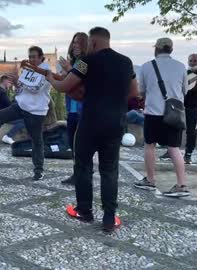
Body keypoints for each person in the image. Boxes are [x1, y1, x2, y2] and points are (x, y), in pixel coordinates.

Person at [47, 27, 138, 232]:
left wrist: (50, 78)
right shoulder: (126, 62)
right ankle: (109, 218)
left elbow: (64, 87)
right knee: (109, 169)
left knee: (83, 166)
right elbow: (134, 92)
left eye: (88, 42)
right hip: (115, 123)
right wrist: (114, 104)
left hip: (90, 122)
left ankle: (84, 211)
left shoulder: (86, 62)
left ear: (94, 43)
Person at [0, 46, 51, 181]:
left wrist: (18, 83)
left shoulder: (46, 71)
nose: (32, 59)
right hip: (21, 105)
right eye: (30, 56)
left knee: (36, 140)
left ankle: (38, 170)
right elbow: (20, 91)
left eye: (34, 56)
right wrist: (17, 86)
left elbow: (35, 88)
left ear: (41, 57)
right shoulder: (27, 70)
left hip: (36, 112)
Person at [134, 37, 190, 197]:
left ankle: (150, 180)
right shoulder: (181, 67)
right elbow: (184, 90)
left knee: (149, 145)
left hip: (153, 113)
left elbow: (142, 91)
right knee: (174, 148)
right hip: (173, 114)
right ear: (171, 50)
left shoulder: (146, 67)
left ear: (156, 49)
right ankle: (182, 184)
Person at [160, 54, 197, 164]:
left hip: (195, 106)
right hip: (181, 105)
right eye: (190, 60)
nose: (192, 62)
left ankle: (188, 154)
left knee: (191, 131)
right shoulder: (184, 72)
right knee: (175, 128)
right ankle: (172, 150)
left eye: (195, 60)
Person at [59, 32, 87, 186]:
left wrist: (69, 69)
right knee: (73, 144)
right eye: (74, 42)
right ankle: (78, 173)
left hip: (83, 111)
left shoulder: (85, 63)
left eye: (79, 42)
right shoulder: (74, 62)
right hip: (72, 110)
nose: (75, 45)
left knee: (81, 145)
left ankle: (82, 173)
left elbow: (82, 83)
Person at [0, 75, 25, 145]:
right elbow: (9, 106)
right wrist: (17, 99)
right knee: (24, 121)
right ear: (4, 81)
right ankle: (8, 136)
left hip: (1, 115)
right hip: (3, 117)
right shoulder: (1, 92)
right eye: (9, 82)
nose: (10, 84)